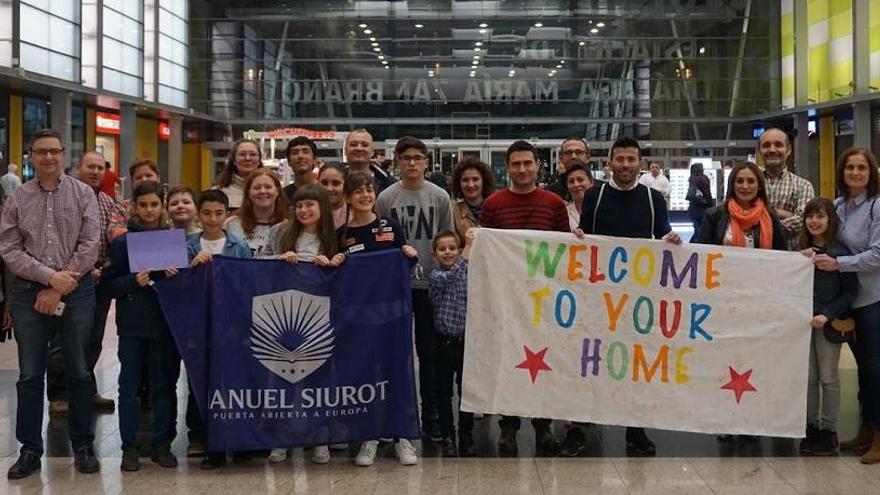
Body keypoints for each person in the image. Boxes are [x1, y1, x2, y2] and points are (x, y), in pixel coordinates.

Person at [0, 129, 101, 479]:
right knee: (30, 373)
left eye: (54, 151)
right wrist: (48, 278)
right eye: (41, 152)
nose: (48, 158)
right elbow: (10, 249)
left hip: (77, 288)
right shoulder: (17, 198)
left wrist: (61, 283)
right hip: (30, 291)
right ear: (30, 156)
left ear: (63, 155)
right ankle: (29, 450)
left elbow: (91, 242)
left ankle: (84, 445)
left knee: (78, 368)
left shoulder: (83, 193)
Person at [574, 136, 681, 457]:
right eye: (619, 159)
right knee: (590, 360)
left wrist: (671, 239)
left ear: (639, 162)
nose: (625, 165)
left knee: (635, 362)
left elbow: (663, 232)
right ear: (609, 162)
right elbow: (585, 236)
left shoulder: (653, 198)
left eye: (631, 159)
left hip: (638, 297)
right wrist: (578, 237)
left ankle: (636, 429)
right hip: (598, 294)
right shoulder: (595, 195)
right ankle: (581, 425)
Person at [481, 140, 569, 456]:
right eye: (516, 164)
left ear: (538, 165)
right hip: (506, 299)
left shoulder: (554, 203)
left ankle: (543, 425)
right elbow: (487, 250)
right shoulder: (493, 204)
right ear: (508, 167)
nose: (522, 169)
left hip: (543, 300)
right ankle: (509, 425)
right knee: (508, 362)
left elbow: (563, 250)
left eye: (527, 163)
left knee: (543, 361)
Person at [377, 136, 454, 459]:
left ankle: (431, 415)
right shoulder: (386, 197)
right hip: (395, 286)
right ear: (397, 160)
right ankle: (388, 417)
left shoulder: (439, 196)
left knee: (430, 354)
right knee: (392, 355)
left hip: (428, 287)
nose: (412, 163)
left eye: (417, 158)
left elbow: (448, 241)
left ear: (426, 162)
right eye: (406, 157)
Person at [337, 170, 419, 466]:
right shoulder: (342, 235)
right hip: (359, 320)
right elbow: (338, 280)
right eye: (358, 191)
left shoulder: (391, 227)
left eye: (369, 190)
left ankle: (402, 437)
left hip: (393, 317)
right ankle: (369, 436)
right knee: (366, 377)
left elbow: (401, 271)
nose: (365, 195)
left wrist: (408, 255)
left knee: (397, 373)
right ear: (348, 197)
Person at [103, 181, 181, 472]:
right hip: (133, 327)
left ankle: (162, 444)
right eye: (143, 205)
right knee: (129, 388)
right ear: (134, 207)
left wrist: (176, 276)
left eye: (154, 205)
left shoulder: (172, 240)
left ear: (162, 206)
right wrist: (132, 281)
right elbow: (109, 285)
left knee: (164, 385)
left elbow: (185, 288)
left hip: (164, 325)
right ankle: (130, 447)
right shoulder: (124, 243)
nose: (149, 210)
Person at [813, 147, 880, 464]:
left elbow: (877, 255)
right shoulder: (839, 206)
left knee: (875, 368)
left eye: (862, 168)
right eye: (850, 167)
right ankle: (867, 428)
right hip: (847, 302)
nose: (855, 172)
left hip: (872, 299)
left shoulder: (877, 206)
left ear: (871, 172)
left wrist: (839, 264)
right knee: (865, 371)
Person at [44, 152, 120, 414]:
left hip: (100, 282)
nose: (96, 172)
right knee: (61, 341)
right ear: (78, 167)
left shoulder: (109, 203)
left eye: (100, 168)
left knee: (92, 340)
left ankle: (84, 388)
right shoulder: (62, 199)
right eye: (91, 167)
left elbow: (114, 242)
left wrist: (103, 269)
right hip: (66, 282)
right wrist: (80, 271)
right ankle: (59, 394)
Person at [798, 198, 858, 456]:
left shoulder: (841, 253)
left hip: (828, 324)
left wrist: (827, 313)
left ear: (830, 220)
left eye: (820, 216)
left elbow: (850, 291)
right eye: (810, 216)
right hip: (801, 324)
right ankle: (810, 426)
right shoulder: (799, 250)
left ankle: (829, 429)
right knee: (808, 377)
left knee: (829, 377)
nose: (814, 221)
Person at [429, 229, 475, 458]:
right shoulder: (436, 276)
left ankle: (467, 435)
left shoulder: (469, 270)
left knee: (466, 392)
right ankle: (449, 436)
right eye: (442, 249)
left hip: (466, 342)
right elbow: (451, 277)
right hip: (444, 344)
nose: (448, 252)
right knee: (443, 393)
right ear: (434, 255)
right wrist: (467, 249)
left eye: (452, 248)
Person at [692, 162, 786, 250]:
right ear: (732, 185)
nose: (745, 186)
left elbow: (782, 254)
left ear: (759, 186)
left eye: (751, 181)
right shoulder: (713, 215)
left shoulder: (770, 216)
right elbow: (701, 253)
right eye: (740, 181)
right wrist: (678, 245)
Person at [759, 128, 815, 250]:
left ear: (788, 150)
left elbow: (803, 222)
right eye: (766, 145)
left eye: (778, 145)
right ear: (759, 151)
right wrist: (784, 214)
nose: (772, 150)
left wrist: (762, 217)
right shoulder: (748, 184)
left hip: (790, 262)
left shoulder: (803, 186)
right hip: (753, 259)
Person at [225, 168, 287, 257]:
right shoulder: (230, 225)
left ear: (277, 191)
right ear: (248, 193)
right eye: (257, 188)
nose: (262, 191)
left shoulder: (288, 227)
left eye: (268, 187)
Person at [108, 159, 163, 241]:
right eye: (138, 177)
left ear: (158, 178)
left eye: (148, 175)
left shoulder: (171, 203)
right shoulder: (122, 207)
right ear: (133, 182)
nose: (144, 179)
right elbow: (112, 233)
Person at [450, 157, 494, 244]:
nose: (470, 185)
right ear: (459, 184)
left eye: (475, 179)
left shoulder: (496, 207)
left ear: (484, 181)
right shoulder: (453, 212)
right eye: (465, 180)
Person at [214, 138, 263, 210]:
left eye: (253, 154)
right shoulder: (219, 192)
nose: (247, 158)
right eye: (242, 154)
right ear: (234, 160)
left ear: (259, 160)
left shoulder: (269, 191)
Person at [344, 129, 396, 194]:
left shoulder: (389, 184)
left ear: (372, 152)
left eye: (364, 145)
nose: (359, 148)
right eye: (353, 144)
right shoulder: (333, 180)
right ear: (345, 150)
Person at [281, 136, 319, 210]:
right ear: (288, 162)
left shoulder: (324, 192)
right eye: (295, 153)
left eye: (305, 152)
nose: (300, 156)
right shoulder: (282, 196)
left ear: (315, 159)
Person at [564, 160, 594, 231]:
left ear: (591, 182)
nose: (576, 184)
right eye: (571, 181)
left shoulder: (602, 208)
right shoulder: (563, 211)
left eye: (580, 180)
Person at [686, 162, 713, 238]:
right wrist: (711, 205)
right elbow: (707, 193)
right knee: (701, 230)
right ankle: (697, 245)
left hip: (692, 208)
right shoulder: (703, 178)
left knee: (697, 228)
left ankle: (692, 245)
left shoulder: (691, 178)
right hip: (702, 208)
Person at [318, 162, 348, 228]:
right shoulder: (309, 213)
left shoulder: (356, 214)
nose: (329, 189)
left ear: (346, 186)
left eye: (336, 183)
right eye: (324, 183)